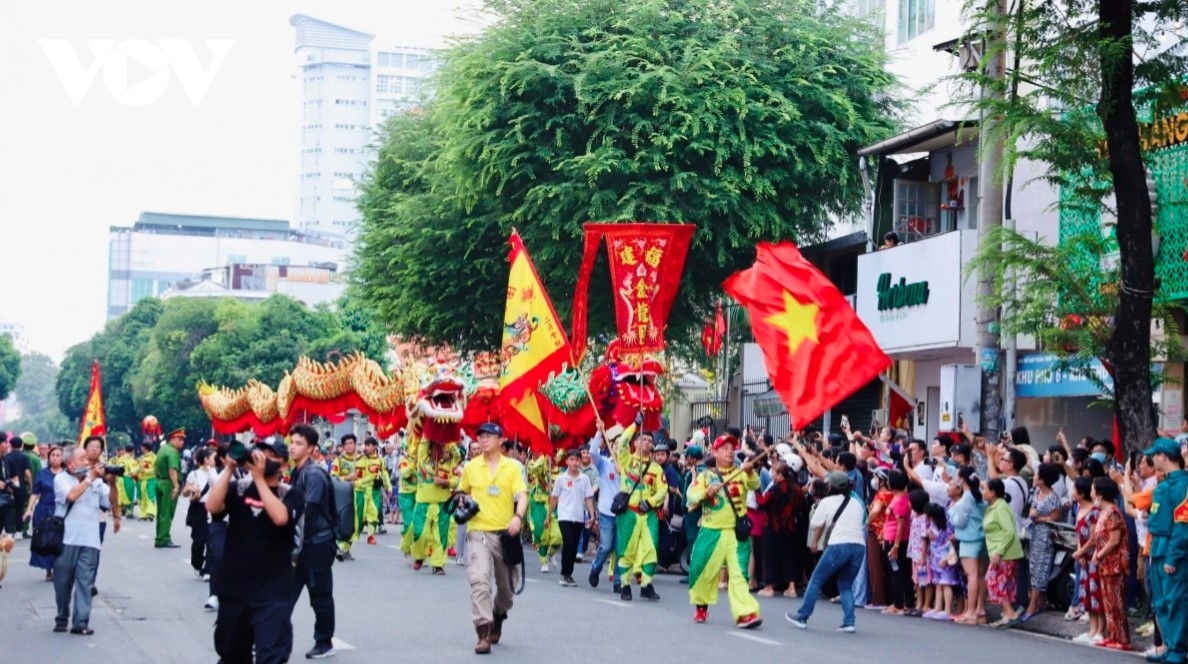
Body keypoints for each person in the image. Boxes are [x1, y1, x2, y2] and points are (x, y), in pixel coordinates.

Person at [207, 438, 305, 664]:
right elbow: (212, 507)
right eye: (260, 452)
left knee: (271, 655)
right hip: (234, 590)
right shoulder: (237, 489)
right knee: (231, 654)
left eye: (271, 456)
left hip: (272, 593)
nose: (262, 458)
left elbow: (280, 518)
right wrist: (230, 468)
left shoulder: (291, 495)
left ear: (283, 465)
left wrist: (259, 478)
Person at [458, 422, 528, 654]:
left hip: (505, 534)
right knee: (479, 580)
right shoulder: (471, 467)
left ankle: (498, 613)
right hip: (478, 532)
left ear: (501, 440)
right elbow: (462, 491)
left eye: (489, 436)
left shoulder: (513, 467)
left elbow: (522, 495)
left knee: (508, 589)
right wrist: (460, 499)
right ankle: (483, 630)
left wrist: (518, 516)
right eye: (480, 436)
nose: (483, 440)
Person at [686, 433, 763, 628]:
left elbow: (756, 485)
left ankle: (746, 613)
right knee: (701, 570)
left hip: (736, 534)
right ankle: (701, 608)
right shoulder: (706, 476)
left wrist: (750, 472)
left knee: (738, 574)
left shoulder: (742, 472)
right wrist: (705, 492)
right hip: (711, 531)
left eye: (732, 449)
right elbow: (691, 496)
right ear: (715, 452)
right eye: (724, 449)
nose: (729, 452)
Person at [786, 470, 867, 633]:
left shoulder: (827, 502)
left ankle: (803, 616)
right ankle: (849, 621)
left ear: (831, 486)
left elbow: (815, 524)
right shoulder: (857, 503)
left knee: (816, 579)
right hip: (859, 545)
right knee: (845, 584)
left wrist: (818, 507)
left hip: (839, 544)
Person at [288, 425, 338, 660]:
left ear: (310, 448)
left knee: (320, 595)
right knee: (283, 594)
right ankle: (271, 636)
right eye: (292, 442)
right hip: (301, 545)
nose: (293, 446)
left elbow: (309, 511)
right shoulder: (297, 472)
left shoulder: (315, 474)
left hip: (316, 545)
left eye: (298, 443)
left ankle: (324, 641)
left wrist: (295, 549)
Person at [53, 444, 109, 635]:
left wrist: (113, 482)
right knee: (62, 583)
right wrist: (89, 479)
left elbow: (108, 502)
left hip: (90, 540)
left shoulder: (97, 481)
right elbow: (71, 496)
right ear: (70, 463)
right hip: (66, 540)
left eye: (87, 458)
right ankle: (62, 616)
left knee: (85, 582)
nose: (87, 461)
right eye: (82, 458)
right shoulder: (61, 479)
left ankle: (81, 623)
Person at [1145, 438, 1187, 664]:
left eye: (1154, 455)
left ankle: (1179, 652)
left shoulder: (1182, 485)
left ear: (1162, 457)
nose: (1151, 458)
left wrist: (1174, 556)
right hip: (1157, 549)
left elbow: (1183, 526)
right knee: (1161, 603)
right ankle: (1170, 648)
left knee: (1176, 603)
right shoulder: (1164, 486)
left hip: (1172, 552)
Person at [614, 426, 667, 601]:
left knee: (651, 550)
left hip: (649, 515)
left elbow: (662, 490)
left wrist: (651, 502)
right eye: (644, 439)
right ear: (635, 442)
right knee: (627, 551)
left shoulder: (656, 469)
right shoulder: (626, 460)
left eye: (651, 441)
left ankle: (646, 585)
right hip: (628, 513)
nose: (648, 443)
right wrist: (634, 426)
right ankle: (625, 585)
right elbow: (622, 443)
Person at [548, 448, 595, 586]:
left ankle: (569, 574)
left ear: (580, 461)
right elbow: (554, 498)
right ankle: (564, 574)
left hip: (579, 517)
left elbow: (588, 498)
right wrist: (548, 516)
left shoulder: (584, 479)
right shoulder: (561, 479)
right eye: (571, 460)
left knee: (574, 547)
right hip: (564, 516)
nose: (574, 463)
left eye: (576, 460)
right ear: (567, 461)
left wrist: (592, 515)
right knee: (568, 543)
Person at [982, 478, 1023, 627]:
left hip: (1005, 553)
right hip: (999, 552)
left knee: (993, 582)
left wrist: (998, 552)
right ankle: (1006, 613)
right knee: (1003, 584)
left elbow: (1009, 531)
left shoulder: (1001, 507)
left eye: (985, 489)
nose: (983, 492)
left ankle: (1010, 613)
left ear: (993, 492)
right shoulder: (993, 506)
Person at [26, 445, 65, 580]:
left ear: (63, 458)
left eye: (58, 455)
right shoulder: (43, 473)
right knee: (46, 540)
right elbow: (35, 492)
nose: (55, 458)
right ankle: (48, 569)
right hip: (44, 510)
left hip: (61, 510)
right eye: (52, 455)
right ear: (49, 457)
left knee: (61, 540)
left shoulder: (67, 474)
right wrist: (29, 509)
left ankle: (59, 567)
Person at [154, 428, 185, 548]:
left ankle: (159, 537)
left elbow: (155, 467)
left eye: (182, 440)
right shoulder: (172, 452)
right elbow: (172, 470)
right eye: (179, 439)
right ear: (172, 439)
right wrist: (176, 486)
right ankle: (164, 539)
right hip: (168, 484)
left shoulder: (162, 449)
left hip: (159, 482)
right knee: (167, 513)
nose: (181, 442)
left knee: (161, 512)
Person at [135, 441, 157, 521]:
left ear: (144, 448)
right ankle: (143, 514)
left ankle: (151, 513)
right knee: (142, 498)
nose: (141, 448)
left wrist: (146, 471)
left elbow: (156, 469)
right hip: (141, 481)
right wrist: (133, 472)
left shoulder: (154, 457)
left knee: (150, 496)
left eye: (142, 447)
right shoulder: (141, 458)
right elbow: (138, 467)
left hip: (150, 480)